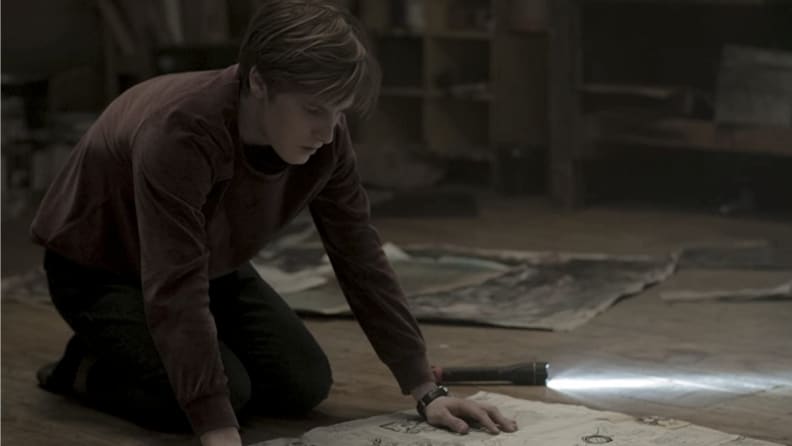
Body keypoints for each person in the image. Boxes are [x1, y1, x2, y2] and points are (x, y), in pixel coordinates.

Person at [31, 1, 518, 445]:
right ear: (259, 82)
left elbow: (358, 252)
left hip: (205, 261)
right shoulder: (180, 132)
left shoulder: (326, 134)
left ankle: (159, 361)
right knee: (218, 398)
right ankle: (82, 366)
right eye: (312, 110)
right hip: (101, 269)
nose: (327, 133)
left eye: (338, 112)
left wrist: (426, 390)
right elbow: (173, 288)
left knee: (302, 382)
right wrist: (218, 431)